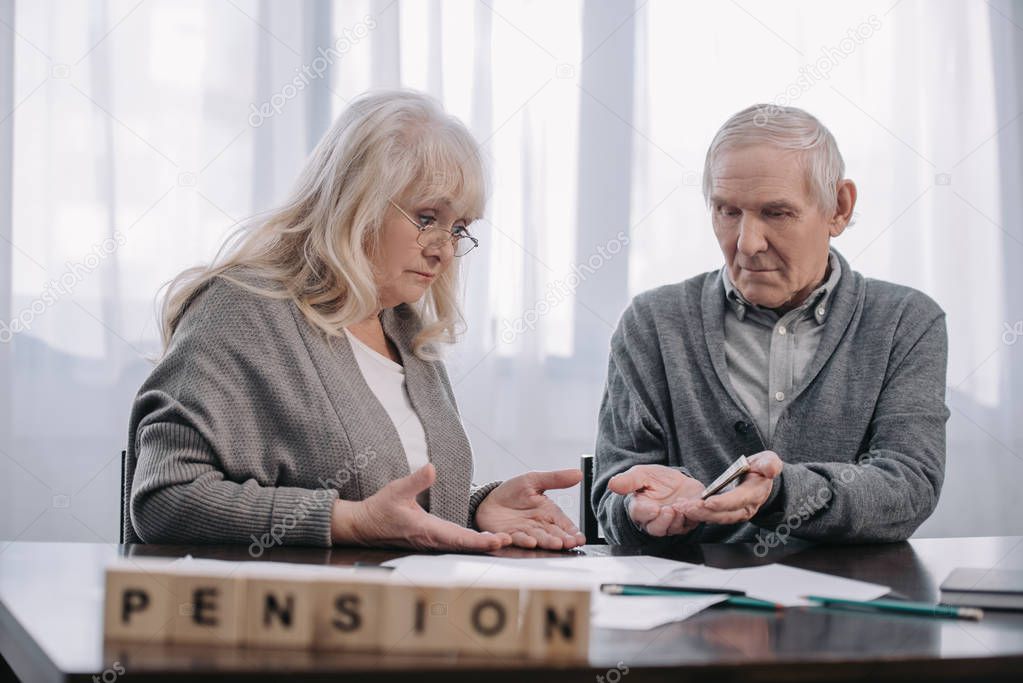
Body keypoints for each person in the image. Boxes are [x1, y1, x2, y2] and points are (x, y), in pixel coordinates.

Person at [125, 90, 586, 553]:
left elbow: (389, 510)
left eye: (460, 228)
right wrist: (351, 522)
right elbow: (165, 499)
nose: (444, 249)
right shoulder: (240, 308)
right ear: (355, 202)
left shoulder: (405, 332)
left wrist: (477, 510)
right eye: (428, 217)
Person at [593, 104, 949, 546]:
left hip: (846, 607)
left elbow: (909, 486)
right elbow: (612, 497)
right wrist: (640, 509)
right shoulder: (652, 323)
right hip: (696, 604)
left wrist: (780, 494)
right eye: (727, 211)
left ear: (839, 208)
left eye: (776, 213)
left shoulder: (905, 322)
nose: (747, 243)